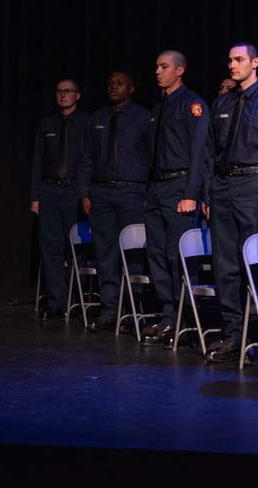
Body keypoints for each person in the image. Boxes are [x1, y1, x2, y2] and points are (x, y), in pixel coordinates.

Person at [203, 43, 258, 363]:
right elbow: (211, 150)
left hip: (256, 184)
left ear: (255, 62)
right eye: (229, 60)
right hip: (223, 185)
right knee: (224, 263)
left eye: (239, 60)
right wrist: (207, 192)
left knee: (253, 262)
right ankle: (232, 333)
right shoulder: (222, 101)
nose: (232, 65)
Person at [142, 51, 210, 346]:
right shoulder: (159, 107)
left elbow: (199, 153)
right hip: (157, 188)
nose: (158, 71)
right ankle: (168, 315)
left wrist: (190, 194)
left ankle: (183, 317)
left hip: (180, 185)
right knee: (156, 252)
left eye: (164, 66)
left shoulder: (192, 104)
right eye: (156, 66)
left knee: (176, 254)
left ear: (179, 70)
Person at [77, 71, 151, 331]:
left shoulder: (143, 117)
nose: (113, 87)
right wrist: (85, 193)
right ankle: (110, 309)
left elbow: (152, 158)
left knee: (132, 252)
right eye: (109, 84)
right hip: (101, 193)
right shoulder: (96, 119)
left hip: (131, 192)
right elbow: (86, 159)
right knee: (105, 252)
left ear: (131, 88)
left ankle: (133, 309)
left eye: (119, 84)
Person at [30, 79, 88, 320]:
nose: (63, 95)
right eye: (59, 91)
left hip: (74, 191)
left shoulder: (86, 122)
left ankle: (78, 301)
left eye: (68, 91)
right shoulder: (47, 124)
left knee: (75, 248)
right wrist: (35, 197)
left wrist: (86, 193)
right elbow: (38, 161)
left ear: (78, 95)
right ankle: (57, 301)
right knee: (51, 248)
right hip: (50, 191)